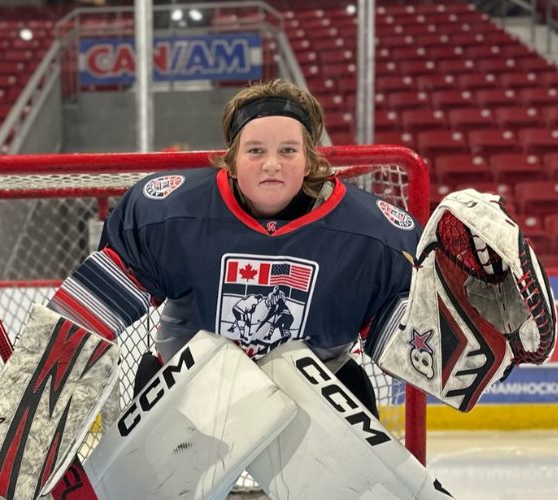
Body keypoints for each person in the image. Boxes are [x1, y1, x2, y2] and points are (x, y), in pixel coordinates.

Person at [46, 79, 420, 416]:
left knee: (353, 392)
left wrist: (446, 321)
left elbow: (413, 345)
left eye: (288, 150)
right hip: (190, 394)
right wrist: (43, 387)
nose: (271, 164)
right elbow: (86, 317)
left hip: (312, 402)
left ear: (309, 161)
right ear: (233, 162)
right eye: (255, 150)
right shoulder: (171, 213)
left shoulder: (372, 234)